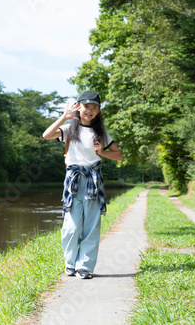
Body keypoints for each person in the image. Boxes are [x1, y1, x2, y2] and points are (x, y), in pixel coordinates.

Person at [42, 91, 123, 279]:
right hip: (73, 180)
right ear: (79, 107)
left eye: (95, 108)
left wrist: (102, 152)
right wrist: (64, 116)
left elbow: (118, 155)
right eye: (87, 107)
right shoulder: (70, 128)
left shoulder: (101, 133)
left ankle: (84, 266)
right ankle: (70, 263)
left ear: (98, 111)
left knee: (91, 225)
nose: (91, 111)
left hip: (93, 180)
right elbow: (46, 135)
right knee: (71, 226)